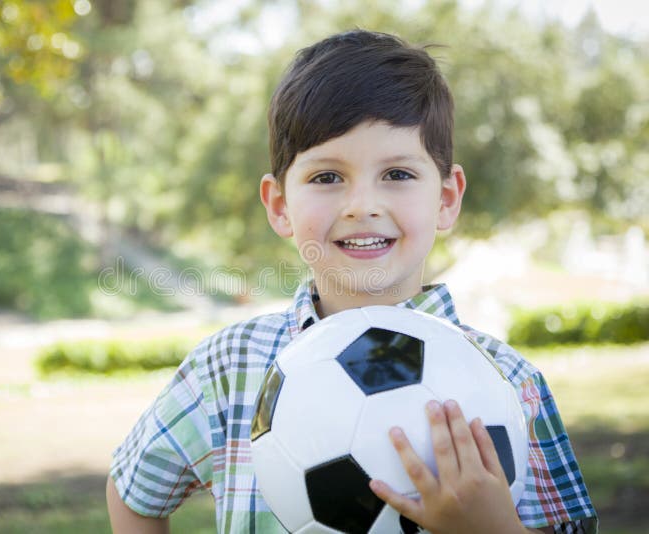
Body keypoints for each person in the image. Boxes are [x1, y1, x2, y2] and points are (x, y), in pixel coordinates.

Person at [106, 30, 598, 533]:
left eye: (398, 174)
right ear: (280, 206)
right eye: (327, 178)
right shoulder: (228, 367)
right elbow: (132, 491)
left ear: (447, 198)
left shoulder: (508, 382)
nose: (362, 205)